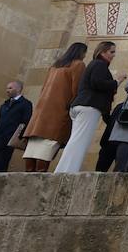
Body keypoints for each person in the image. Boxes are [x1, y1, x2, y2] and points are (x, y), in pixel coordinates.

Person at [54, 41, 123, 174]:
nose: (113, 55)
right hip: (89, 107)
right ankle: (68, 172)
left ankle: (63, 170)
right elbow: (97, 83)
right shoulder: (99, 64)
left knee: (76, 140)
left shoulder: (95, 64)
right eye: (111, 52)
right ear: (103, 52)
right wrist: (117, 81)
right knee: (80, 142)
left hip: (81, 106)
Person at [22, 43, 87, 172]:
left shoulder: (55, 66)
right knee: (47, 147)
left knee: (32, 150)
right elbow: (77, 88)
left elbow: (44, 88)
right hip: (58, 111)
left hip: (41, 112)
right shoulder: (78, 64)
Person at [0, 81, 30, 173]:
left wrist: (18, 137)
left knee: (1, 168)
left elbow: (26, 122)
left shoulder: (25, 104)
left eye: (10, 88)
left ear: (18, 89)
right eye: (7, 88)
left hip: (8, 141)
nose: (7, 90)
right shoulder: (5, 104)